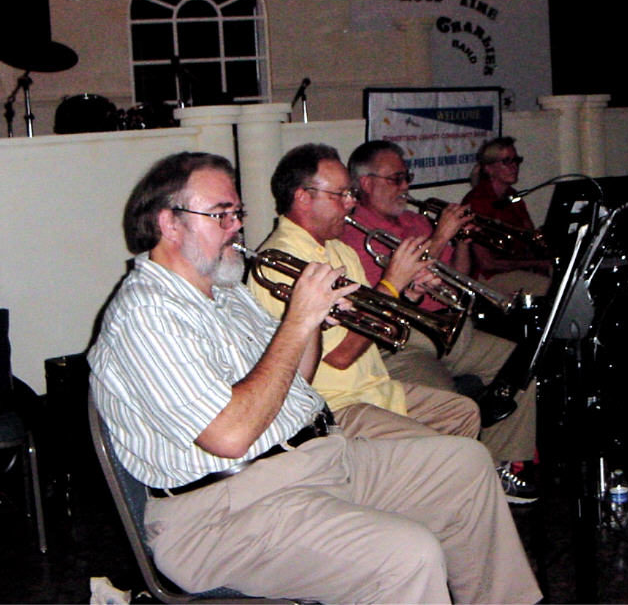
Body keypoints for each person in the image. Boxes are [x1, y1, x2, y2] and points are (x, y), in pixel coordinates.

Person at [87, 150, 541, 604]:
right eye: (221, 215)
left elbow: (296, 380)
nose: (236, 227)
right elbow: (229, 435)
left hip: (314, 461)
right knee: (407, 555)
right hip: (227, 511)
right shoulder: (147, 315)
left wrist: (314, 324)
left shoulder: (226, 295)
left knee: (465, 466)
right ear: (169, 223)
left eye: (238, 213)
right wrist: (297, 321)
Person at [248, 143, 536, 502]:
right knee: (455, 455)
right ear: (303, 198)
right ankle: (449, 501)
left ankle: (458, 499)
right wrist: (392, 285)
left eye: (350, 194)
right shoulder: (283, 261)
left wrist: (407, 295)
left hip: (373, 388)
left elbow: (369, 327)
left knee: (463, 412)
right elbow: (339, 357)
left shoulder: (338, 250)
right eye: (340, 195)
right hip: (336, 404)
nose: (350, 203)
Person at [343, 140, 538, 501]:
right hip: (403, 339)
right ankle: (455, 490)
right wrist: (441, 236)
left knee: (521, 363)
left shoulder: (415, 220)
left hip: (450, 328)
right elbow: (386, 294)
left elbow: (457, 278)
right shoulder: (352, 233)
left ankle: (503, 464)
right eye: (396, 178)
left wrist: (461, 239)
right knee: (445, 400)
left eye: (407, 177)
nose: (406, 186)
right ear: (366, 183)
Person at [462, 136, 553, 297]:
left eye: (516, 160)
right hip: (489, 276)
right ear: (489, 168)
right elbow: (487, 263)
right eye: (506, 161)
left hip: (515, 268)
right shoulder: (477, 201)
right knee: (550, 288)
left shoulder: (512, 196)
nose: (514, 166)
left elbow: (531, 238)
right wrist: (536, 264)